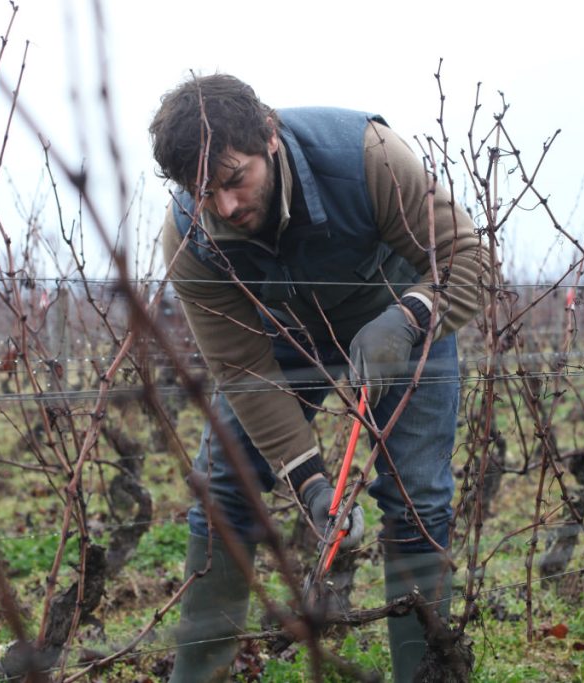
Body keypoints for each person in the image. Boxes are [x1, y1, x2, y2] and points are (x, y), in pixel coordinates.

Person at [151, 73, 491, 682]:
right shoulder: (191, 240)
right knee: (226, 488)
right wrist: (308, 479)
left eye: (235, 180)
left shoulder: (368, 159)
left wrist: (410, 318)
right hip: (282, 332)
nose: (226, 206)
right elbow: (241, 369)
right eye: (205, 192)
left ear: (270, 140)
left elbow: (467, 258)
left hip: (398, 313)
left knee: (418, 498)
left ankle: (426, 673)